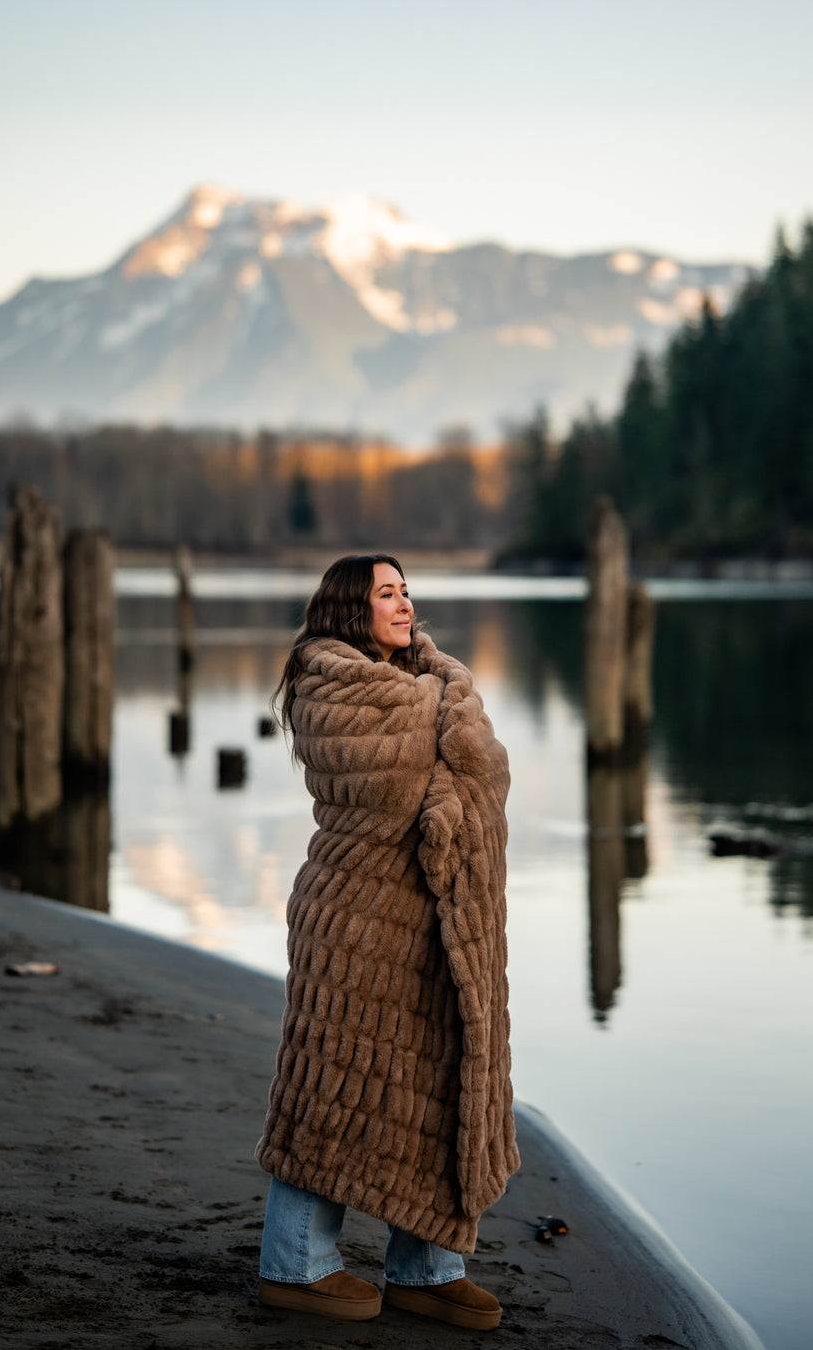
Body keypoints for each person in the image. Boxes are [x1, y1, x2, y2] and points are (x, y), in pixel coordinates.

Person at [255, 553, 518, 1330]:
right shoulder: (327, 681)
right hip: (354, 919)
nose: (405, 604)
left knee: (434, 1082)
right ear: (350, 607)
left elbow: (489, 772)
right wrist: (443, 722)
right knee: (331, 1085)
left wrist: (441, 713)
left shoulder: (437, 681)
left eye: (406, 590)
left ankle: (427, 1267)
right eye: (386, 592)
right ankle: (295, 1264)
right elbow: (394, 783)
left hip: (435, 920)